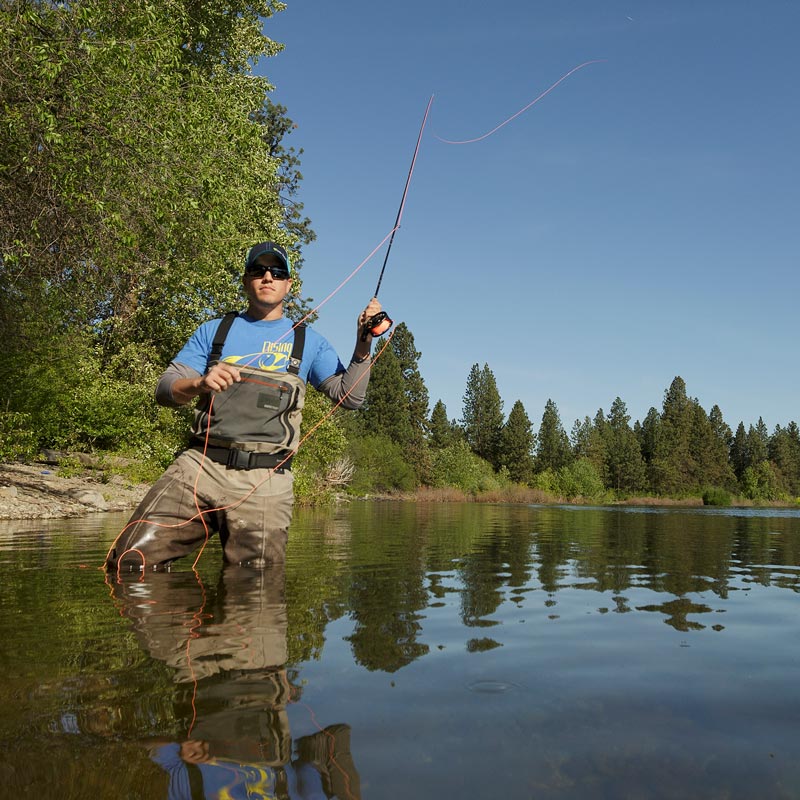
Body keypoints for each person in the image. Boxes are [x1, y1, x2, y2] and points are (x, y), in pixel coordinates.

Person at [106, 241, 381, 572]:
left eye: (277, 272)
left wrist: (363, 345)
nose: (268, 277)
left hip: (266, 480)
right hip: (198, 467)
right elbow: (165, 390)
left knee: (254, 587)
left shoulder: (310, 342)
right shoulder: (213, 331)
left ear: (288, 285)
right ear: (245, 281)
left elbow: (350, 398)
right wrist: (199, 383)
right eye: (258, 270)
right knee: (128, 564)